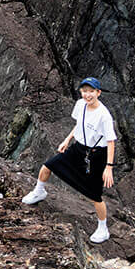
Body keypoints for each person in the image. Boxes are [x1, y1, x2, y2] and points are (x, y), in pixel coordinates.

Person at [21, 76, 118, 243]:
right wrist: (67, 140)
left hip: (95, 155)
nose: (88, 95)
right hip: (77, 148)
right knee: (48, 165)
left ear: (98, 93)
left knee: (94, 195)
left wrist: (108, 167)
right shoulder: (80, 104)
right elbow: (78, 125)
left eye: (91, 92)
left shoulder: (104, 116)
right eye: (84, 91)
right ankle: (39, 191)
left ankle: (103, 228)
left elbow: (111, 141)